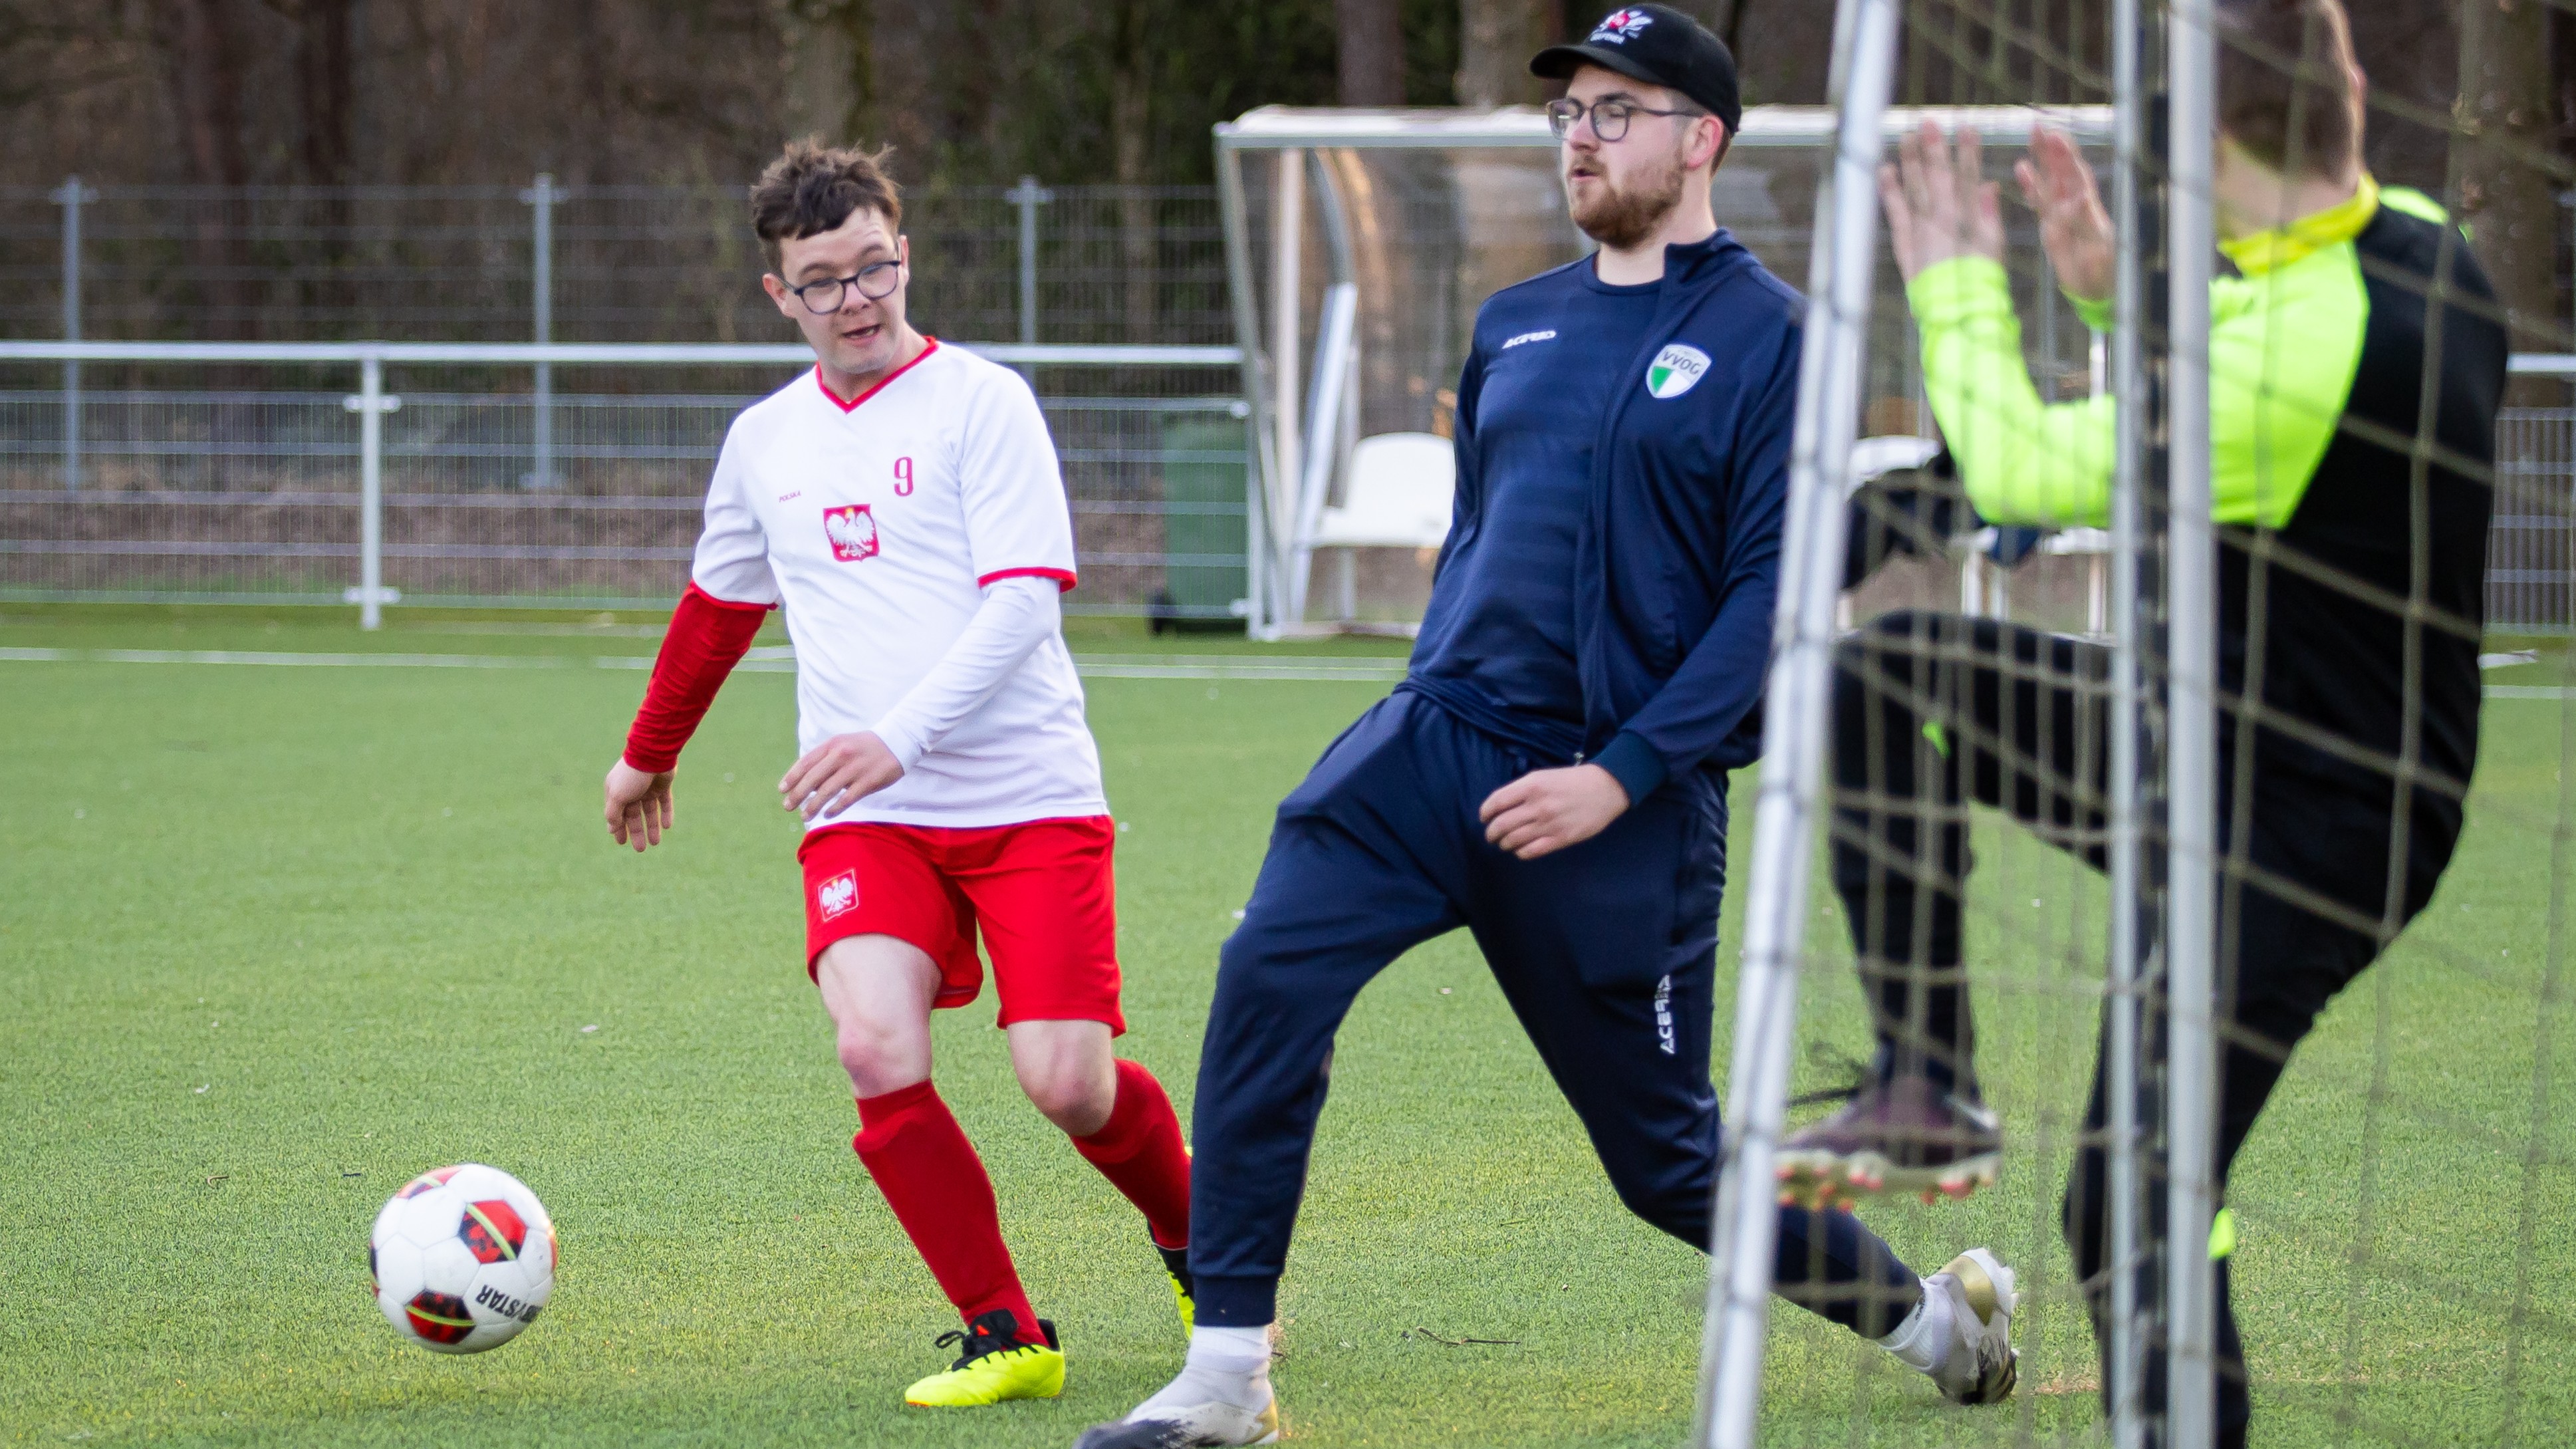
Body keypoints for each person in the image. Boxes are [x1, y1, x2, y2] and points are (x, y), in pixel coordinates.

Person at [1076, 10, 2016, 1447]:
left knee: (1660, 1161)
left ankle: (1933, 1323)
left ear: (1700, 137)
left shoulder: (1776, 341)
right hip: (1432, 742)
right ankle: (1225, 1369)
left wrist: (1620, 772)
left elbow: (1772, 598)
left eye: (1617, 108)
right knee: (1266, 968)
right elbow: (1474, 538)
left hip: (1615, 796)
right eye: (1570, 108)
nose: (1581, 132)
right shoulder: (1511, 317)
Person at [1774, 1, 2506, 1441]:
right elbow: (2247, 320)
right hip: (2198, 735)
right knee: (1885, 671)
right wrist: (2113, 295)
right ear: (2347, 83)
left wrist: (1953, 284)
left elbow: (2020, 466)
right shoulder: (2417, 235)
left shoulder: (2311, 360)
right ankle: (1928, 1074)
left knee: (2126, 1195)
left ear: (2189, 143)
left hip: (2317, 825)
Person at [600, 139, 1195, 1410]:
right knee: (874, 1044)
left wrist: (897, 736)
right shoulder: (763, 440)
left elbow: (1024, 603)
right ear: (780, 295)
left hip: (1028, 799)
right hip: (868, 820)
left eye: (873, 267)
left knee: (1066, 1083)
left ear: (904, 254)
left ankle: (1209, 1251)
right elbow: (718, 608)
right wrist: (646, 758)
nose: (854, 299)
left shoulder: (986, 402)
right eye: (822, 281)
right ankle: (1005, 1334)